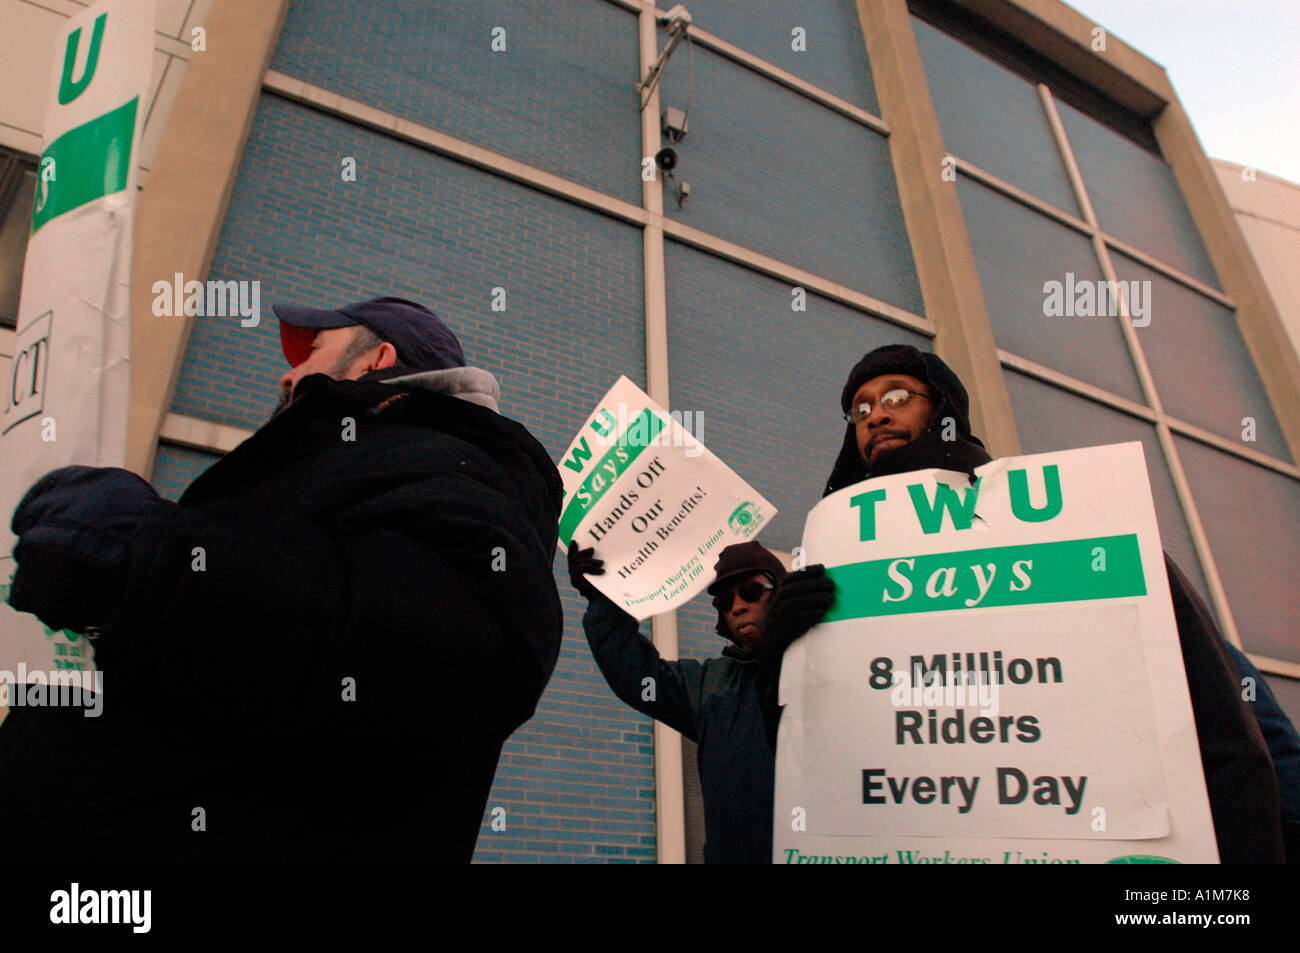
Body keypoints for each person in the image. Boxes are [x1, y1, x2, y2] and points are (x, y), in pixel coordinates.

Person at [1, 296, 563, 862]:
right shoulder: (353, 463)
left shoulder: (453, 468)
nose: (287, 372)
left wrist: (150, 562)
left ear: (376, 360)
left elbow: (452, 651)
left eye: (314, 350)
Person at [804, 342, 1284, 863]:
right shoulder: (832, 574)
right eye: (860, 409)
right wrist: (784, 655)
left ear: (942, 409)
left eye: (897, 395)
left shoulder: (1077, 521)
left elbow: (1229, 741)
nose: (875, 415)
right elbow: (826, 751)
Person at [567, 539, 833, 863]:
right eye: (724, 601)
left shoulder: (827, 667)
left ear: (779, 591)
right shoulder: (710, 685)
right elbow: (636, 676)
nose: (737, 606)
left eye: (750, 591)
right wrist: (604, 599)